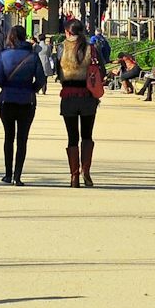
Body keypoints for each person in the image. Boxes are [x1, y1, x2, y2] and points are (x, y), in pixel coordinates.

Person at [0, 24, 47, 185]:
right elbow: (41, 79)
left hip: (8, 99)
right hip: (26, 100)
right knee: (22, 139)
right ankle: (18, 175)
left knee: (8, 138)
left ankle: (8, 174)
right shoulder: (33, 56)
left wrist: (7, 87)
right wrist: (31, 89)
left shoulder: (4, 55)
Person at [56, 20, 102, 187]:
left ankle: (74, 175)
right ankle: (86, 171)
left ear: (67, 32)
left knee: (72, 137)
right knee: (87, 135)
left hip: (68, 95)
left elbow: (57, 70)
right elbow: (100, 70)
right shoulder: (91, 48)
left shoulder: (61, 47)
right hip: (88, 96)